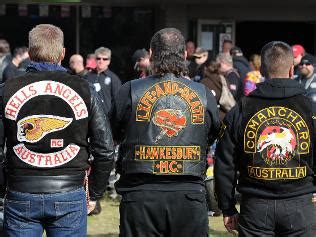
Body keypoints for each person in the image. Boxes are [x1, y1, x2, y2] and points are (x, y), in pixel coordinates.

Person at [1, 24, 115, 237]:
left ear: (31, 51)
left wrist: (3, 189)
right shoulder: (84, 89)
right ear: (63, 53)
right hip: (69, 193)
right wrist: (94, 194)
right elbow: (105, 149)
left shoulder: (7, 89)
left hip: (21, 192)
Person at [111, 28, 220, 237]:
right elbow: (212, 134)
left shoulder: (130, 90)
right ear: (185, 55)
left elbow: (113, 133)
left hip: (141, 194)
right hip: (187, 193)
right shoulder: (203, 94)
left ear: (151, 54)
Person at [215, 41, 316, 236]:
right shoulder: (310, 108)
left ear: (261, 70)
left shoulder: (241, 109)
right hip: (299, 206)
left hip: (256, 207)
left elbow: (224, 162)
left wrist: (227, 208)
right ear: (291, 69)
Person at [85, 47, 122, 114]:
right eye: (98, 58)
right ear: (95, 59)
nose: (101, 61)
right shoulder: (87, 76)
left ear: (109, 61)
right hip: (89, 115)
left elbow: (118, 101)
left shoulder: (114, 78)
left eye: (105, 59)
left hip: (106, 117)